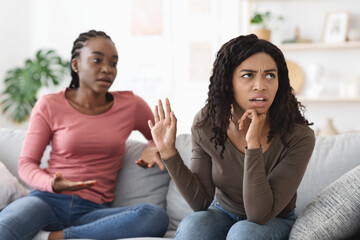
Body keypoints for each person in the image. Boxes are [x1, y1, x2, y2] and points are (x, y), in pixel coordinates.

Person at [0, 30, 169, 240]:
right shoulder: (49, 104)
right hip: (46, 200)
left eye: (113, 63)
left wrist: (152, 149)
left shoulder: (131, 105)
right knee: (5, 227)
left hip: (92, 210)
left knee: (154, 216)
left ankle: (56, 237)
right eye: (97, 60)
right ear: (76, 65)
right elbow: (26, 163)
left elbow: (159, 135)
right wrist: (52, 183)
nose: (107, 69)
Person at [148, 34, 315, 239]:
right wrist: (168, 152)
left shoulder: (299, 136)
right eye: (248, 75)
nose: (260, 85)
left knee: (243, 232)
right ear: (228, 82)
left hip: (273, 220)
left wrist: (252, 145)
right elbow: (200, 202)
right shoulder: (207, 122)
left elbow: (259, 214)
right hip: (223, 212)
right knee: (194, 226)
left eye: (270, 75)